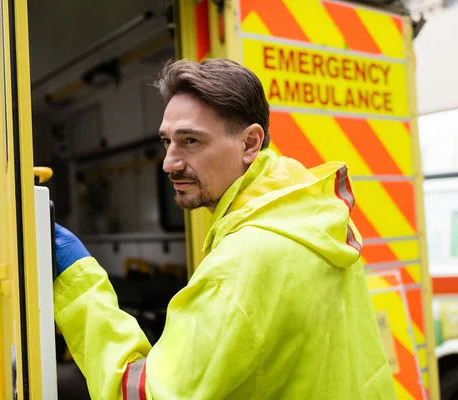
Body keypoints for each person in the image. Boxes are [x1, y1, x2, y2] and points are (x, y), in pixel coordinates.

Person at [53, 58, 397, 399]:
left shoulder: (243, 263)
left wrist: (79, 283)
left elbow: (143, 395)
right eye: (166, 141)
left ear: (249, 144)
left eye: (190, 141)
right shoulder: (311, 220)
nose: (169, 162)